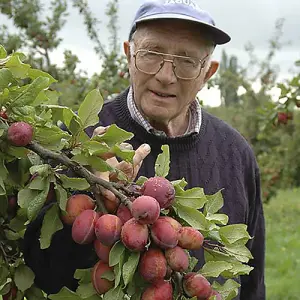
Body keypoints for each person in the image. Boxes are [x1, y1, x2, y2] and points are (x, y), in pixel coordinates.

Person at [23, 0, 266, 299]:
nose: (166, 75)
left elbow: (251, 279)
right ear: (129, 55)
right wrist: (91, 193)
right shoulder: (80, 142)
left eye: (187, 60)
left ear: (208, 73)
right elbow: (41, 271)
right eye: (151, 54)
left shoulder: (235, 153)